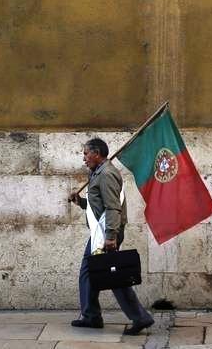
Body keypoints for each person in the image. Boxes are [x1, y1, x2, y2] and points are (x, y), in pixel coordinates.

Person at [67, 137, 155, 336]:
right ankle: (91, 315)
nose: (84, 158)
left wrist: (111, 237)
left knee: (112, 276)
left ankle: (139, 317)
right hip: (102, 231)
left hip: (106, 233)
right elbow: (97, 204)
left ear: (97, 153)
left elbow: (113, 207)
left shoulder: (106, 174)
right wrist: (80, 201)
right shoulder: (97, 172)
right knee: (90, 272)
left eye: (86, 153)